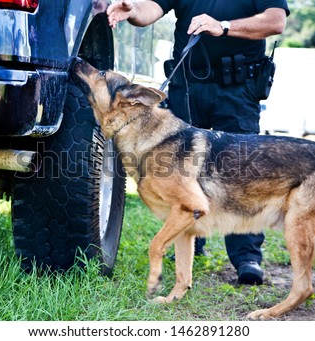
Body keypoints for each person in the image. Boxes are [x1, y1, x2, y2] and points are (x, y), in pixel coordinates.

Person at [107, 0, 290, 285]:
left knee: (240, 174)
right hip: (187, 85)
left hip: (238, 88)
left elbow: (275, 21)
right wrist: (132, 11)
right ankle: (188, 245)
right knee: (180, 175)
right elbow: (149, 11)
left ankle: (247, 257)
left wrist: (224, 27)